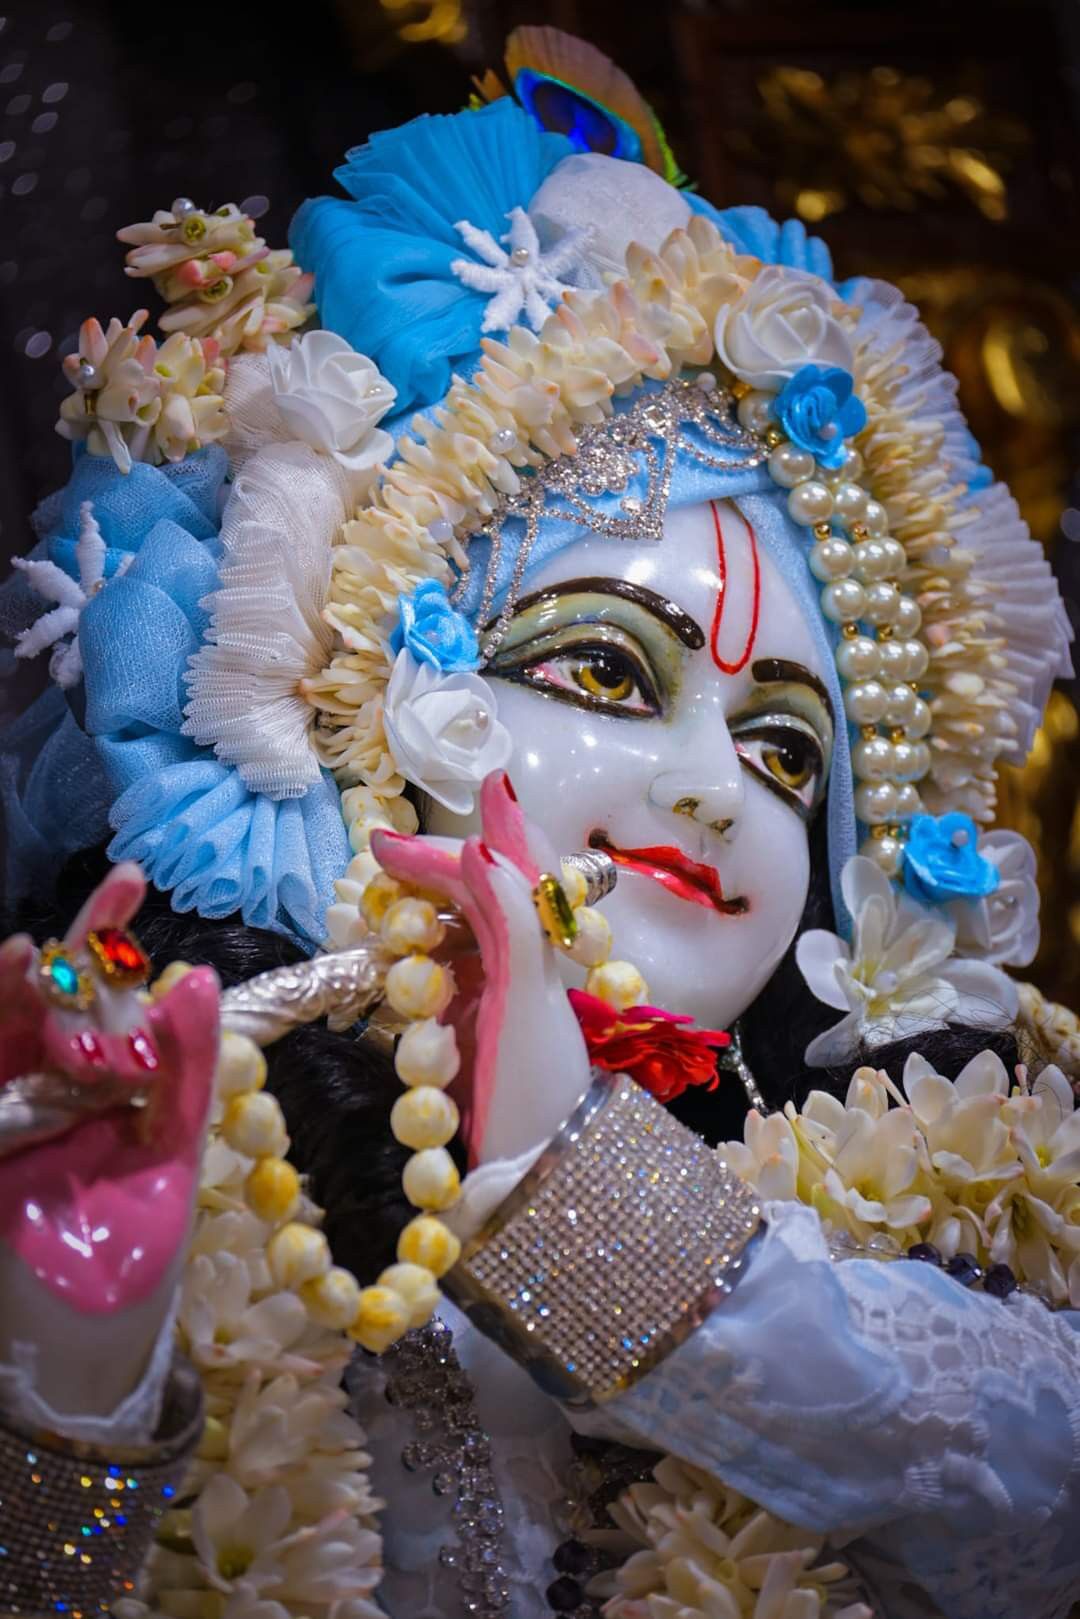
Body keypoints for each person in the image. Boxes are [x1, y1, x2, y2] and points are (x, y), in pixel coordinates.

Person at [2, 26, 1079, 1619]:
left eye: (789, 754)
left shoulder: (928, 1248)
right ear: (337, 689)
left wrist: (580, 1203)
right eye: (606, 669)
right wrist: (78, 1377)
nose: (716, 785)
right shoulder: (182, 1179)